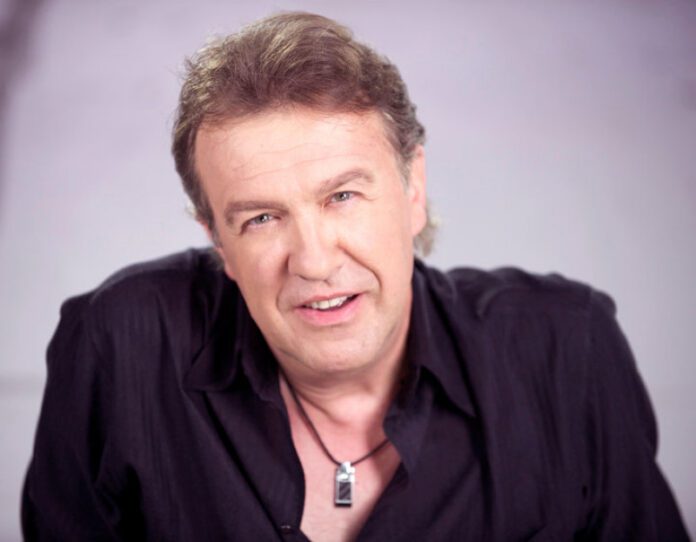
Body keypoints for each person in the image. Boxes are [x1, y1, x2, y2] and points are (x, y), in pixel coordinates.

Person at [22, 11, 689, 542]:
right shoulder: (120, 347)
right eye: (261, 218)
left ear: (413, 189)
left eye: (342, 196)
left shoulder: (566, 351)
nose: (314, 261)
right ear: (218, 241)